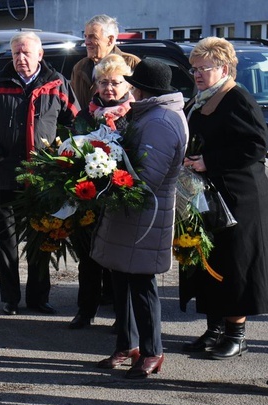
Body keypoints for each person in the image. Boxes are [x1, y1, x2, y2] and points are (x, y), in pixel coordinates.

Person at [180, 37, 268, 359]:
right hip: (210, 196)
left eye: (202, 68)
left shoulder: (236, 97)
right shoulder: (202, 97)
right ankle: (214, 328)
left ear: (222, 68)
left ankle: (237, 333)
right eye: (193, 68)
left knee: (235, 265)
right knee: (211, 260)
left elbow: (255, 145)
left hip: (239, 198)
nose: (196, 74)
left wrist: (210, 161)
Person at [92, 58, 188, 378]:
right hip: (130, 213)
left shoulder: (161, 120)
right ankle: (127, 345)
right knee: (121, 279)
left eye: (135, 84)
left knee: (142, 285)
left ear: (147, 89)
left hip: (145, 215)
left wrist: (107, 173)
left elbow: (147, 178)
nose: (130, 88)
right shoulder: (150, 114)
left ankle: (152, 351)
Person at [0, 31, 78, 316]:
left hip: (43, 176)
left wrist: (63, 157)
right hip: (6, 175)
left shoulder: (57, 83)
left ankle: (38, 296)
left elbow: (75, 122)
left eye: (26, 53)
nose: (20, 58)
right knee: (6, 239)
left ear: (40, 55)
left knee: (42, 237)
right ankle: (9, 298)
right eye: (15, 54)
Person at [69, 53, 134, 330]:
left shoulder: (134, 114)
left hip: (121, 194)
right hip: (90, 196)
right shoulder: (86, 114)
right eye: (103, 82)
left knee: (120, 262)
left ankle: (123, 316)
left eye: (115, 83)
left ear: (127, 86)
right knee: (89, 256)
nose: (109, 88)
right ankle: (86, 310)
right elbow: (73, 147)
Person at [70, 14, 140, 112]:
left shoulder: (131, 63)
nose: (86, 42)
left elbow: (142, 104)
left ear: (110, 40)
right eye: (85, 36)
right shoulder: (79, 67)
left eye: (92, 37)